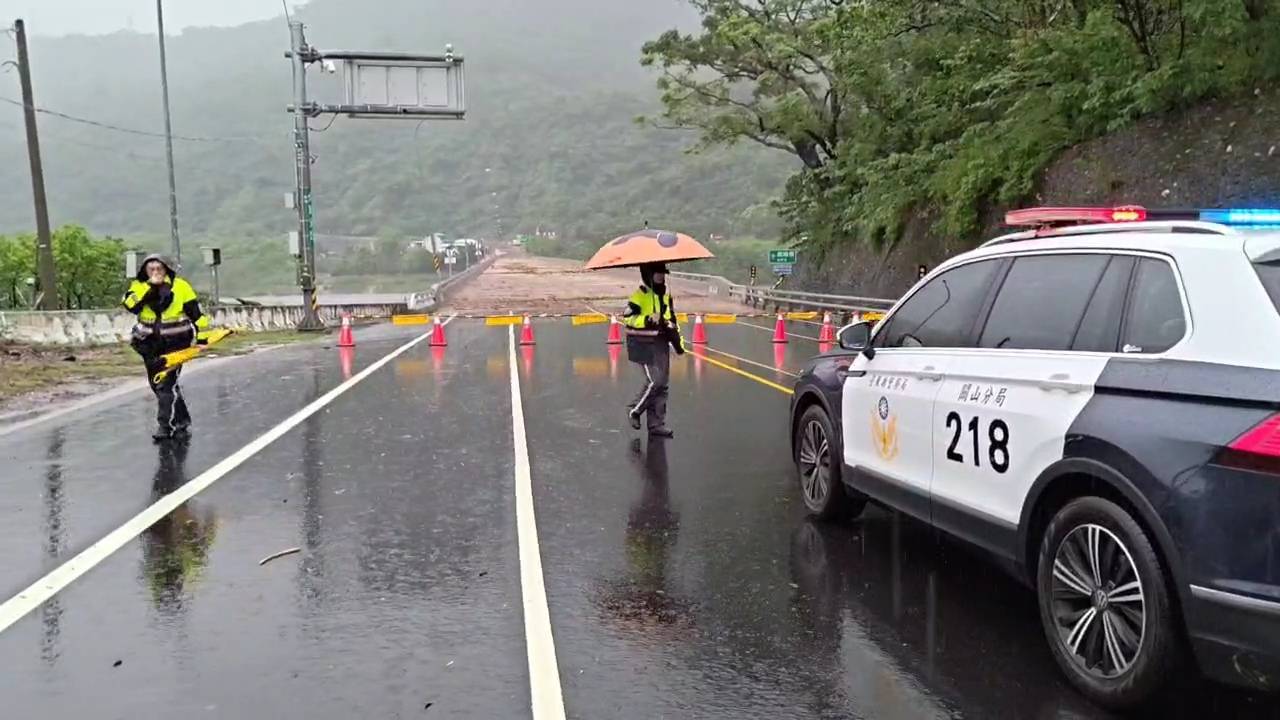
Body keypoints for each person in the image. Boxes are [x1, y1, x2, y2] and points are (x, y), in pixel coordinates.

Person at [122, 254, 211, 441]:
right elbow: (130, 305)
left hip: (176, 343)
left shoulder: (181, 286)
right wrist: (150, 286)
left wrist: (202, 339)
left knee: (166, 384)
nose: (155, 272)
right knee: (158, 384)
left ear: (167, 269)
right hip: (148, 344)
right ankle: (182, 420)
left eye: (159, 269)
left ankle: (165, 425)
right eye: (151, 269)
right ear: (145, 271)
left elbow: (197, 315)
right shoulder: (138, 286)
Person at [623, 262, 684, 438]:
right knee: (655, 381)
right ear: (648, 274)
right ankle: (634, 410)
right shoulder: (639, 296)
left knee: (663, 385)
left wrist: (677, 344)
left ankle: (656, 424)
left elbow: (671, 320)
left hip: (661, 342)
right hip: (643, 343)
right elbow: (628, 318)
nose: (661, 276)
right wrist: (647, 319)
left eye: (663, 273)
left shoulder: (665, 296)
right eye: (657, 273)